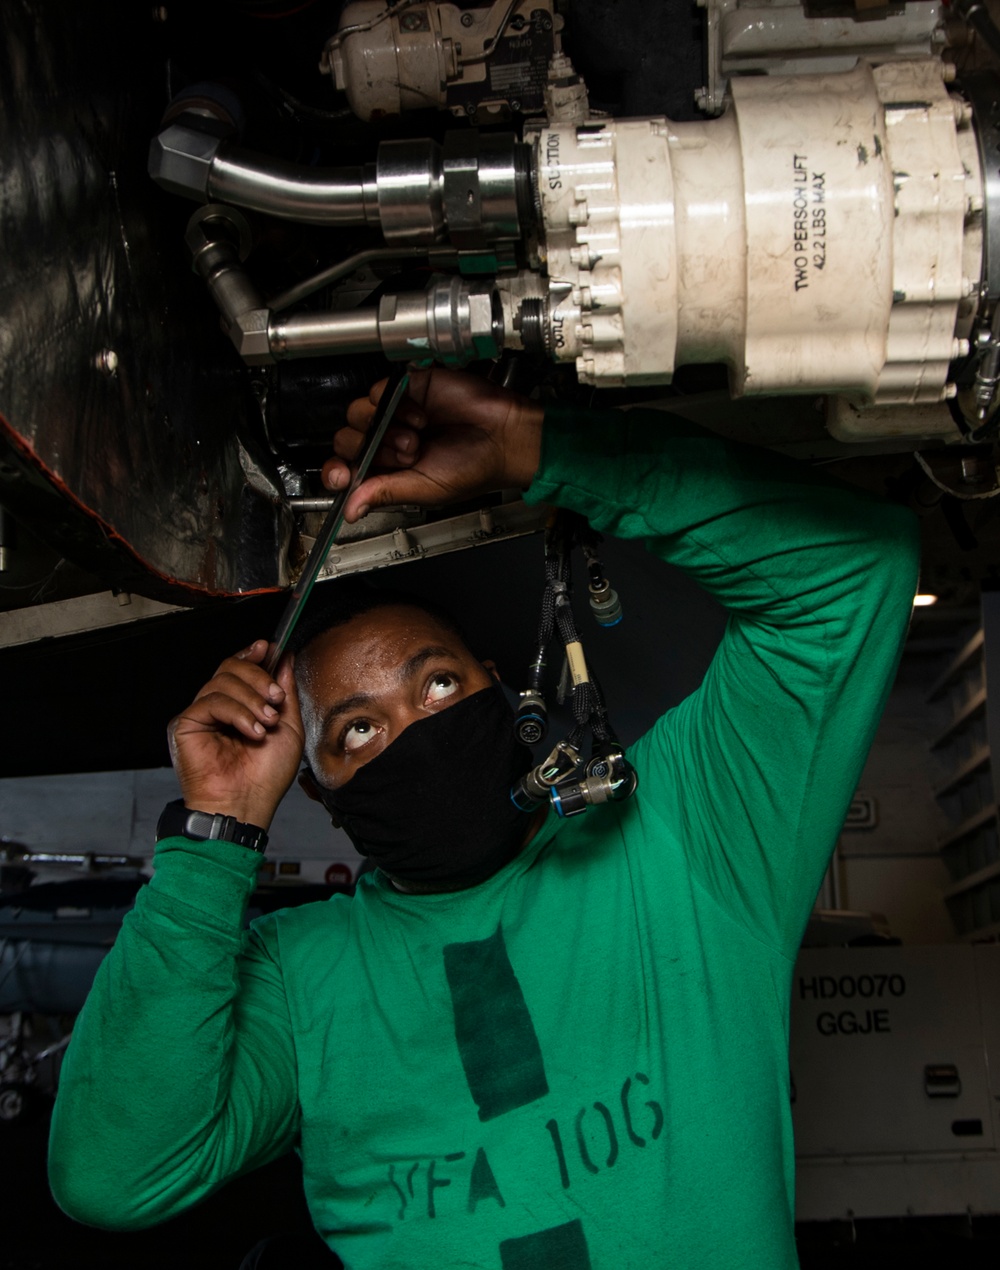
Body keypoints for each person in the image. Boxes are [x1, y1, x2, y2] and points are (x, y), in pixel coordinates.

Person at [48, 368, 919, 1269]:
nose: (415, 731)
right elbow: (112, 1175)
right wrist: (215, 834)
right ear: (316, 792)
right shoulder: (298, 983)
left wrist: (540, 451)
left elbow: (855, 573)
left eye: (436, 683)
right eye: (357, 730)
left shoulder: (689, 833)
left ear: (505, 691)